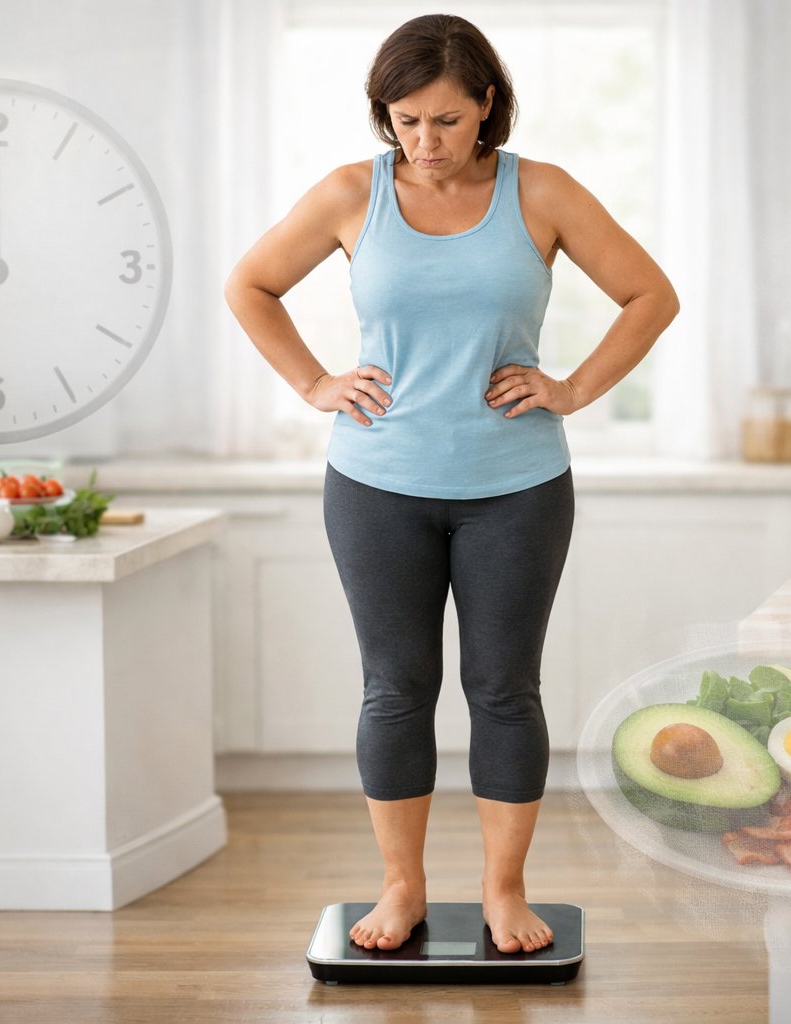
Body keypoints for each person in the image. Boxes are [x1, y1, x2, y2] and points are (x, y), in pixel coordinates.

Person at [224, 13, 678, 955]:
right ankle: (401, 890)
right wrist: (314, 382)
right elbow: (251, 285)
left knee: (504, 691)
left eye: (444, 121)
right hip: (376, 483)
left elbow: (651, 295)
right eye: (404, 121)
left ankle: (505, 893)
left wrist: (573, 388)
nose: (423, 144)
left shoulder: (541, 193)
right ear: (383, 117)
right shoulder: (353, 194)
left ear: (487, 108)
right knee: (395, 690)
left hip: (516, 485)